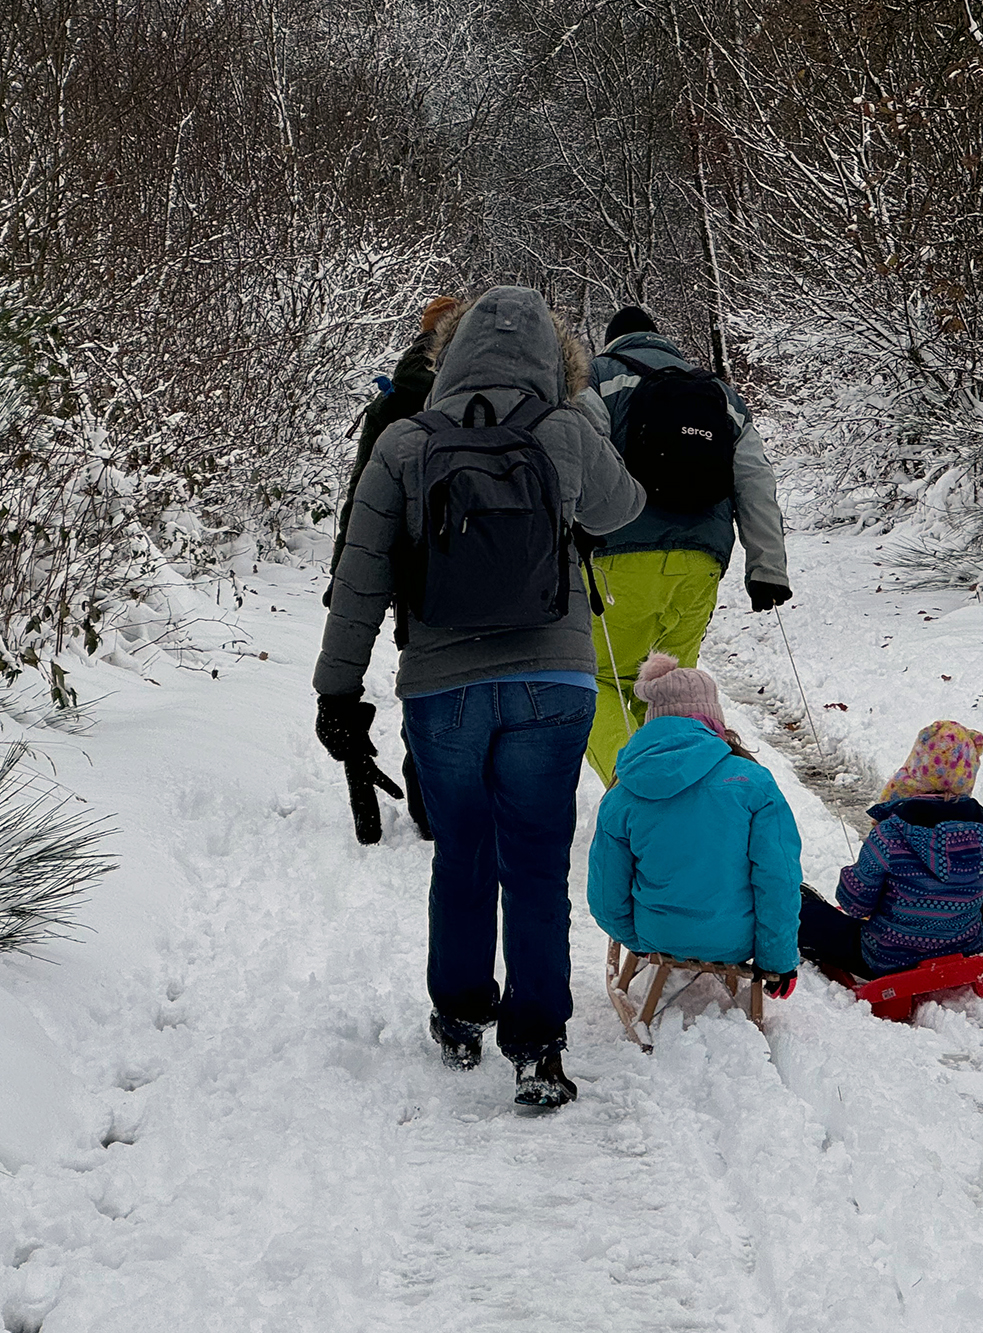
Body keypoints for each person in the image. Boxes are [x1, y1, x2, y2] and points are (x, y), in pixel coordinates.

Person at [313, 287, 645, 1110]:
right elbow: (625, 507)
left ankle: (460, 1013)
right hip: (552, 682)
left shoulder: (403, 443)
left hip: (443, 687)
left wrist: (338, 691)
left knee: (462, 849)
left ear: (449, 356)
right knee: (534, 859)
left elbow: (360, 577)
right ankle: (537, 1046)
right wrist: (586, 418)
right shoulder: (565, 430)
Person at [583, 306, 792, 784]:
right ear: (661, 339)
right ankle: (688, 794)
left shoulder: (596, 377)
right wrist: (768, 568)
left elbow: (581, 456)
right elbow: (755, 481)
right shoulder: (719, 393)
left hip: (617, 559)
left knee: (599, 680)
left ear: (614, 341)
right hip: (700, 563)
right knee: (671, 687)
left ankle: (633, 791)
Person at [587, 654, 802, 1000]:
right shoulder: (753, 782)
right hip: (736, 941)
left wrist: (636, 939)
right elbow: (778, 879)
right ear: (711, 718)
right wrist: (777, 961)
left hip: (657, 934)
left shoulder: (623, 792)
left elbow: (604, 893)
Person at [326, 295, 461, 841]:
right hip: (474, 557)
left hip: (411, 565)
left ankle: (425, 792)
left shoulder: (393, 402)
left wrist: (347, 575)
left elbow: (364, 496)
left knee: (422, 667)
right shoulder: (478, 393)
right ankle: (442, 791)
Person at [797, 721, 983, 980]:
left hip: (889, 957)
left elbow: (856, 904)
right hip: (963, 946)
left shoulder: (891, 833)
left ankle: (800, 908)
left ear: (916, 770)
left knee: (808, 918)